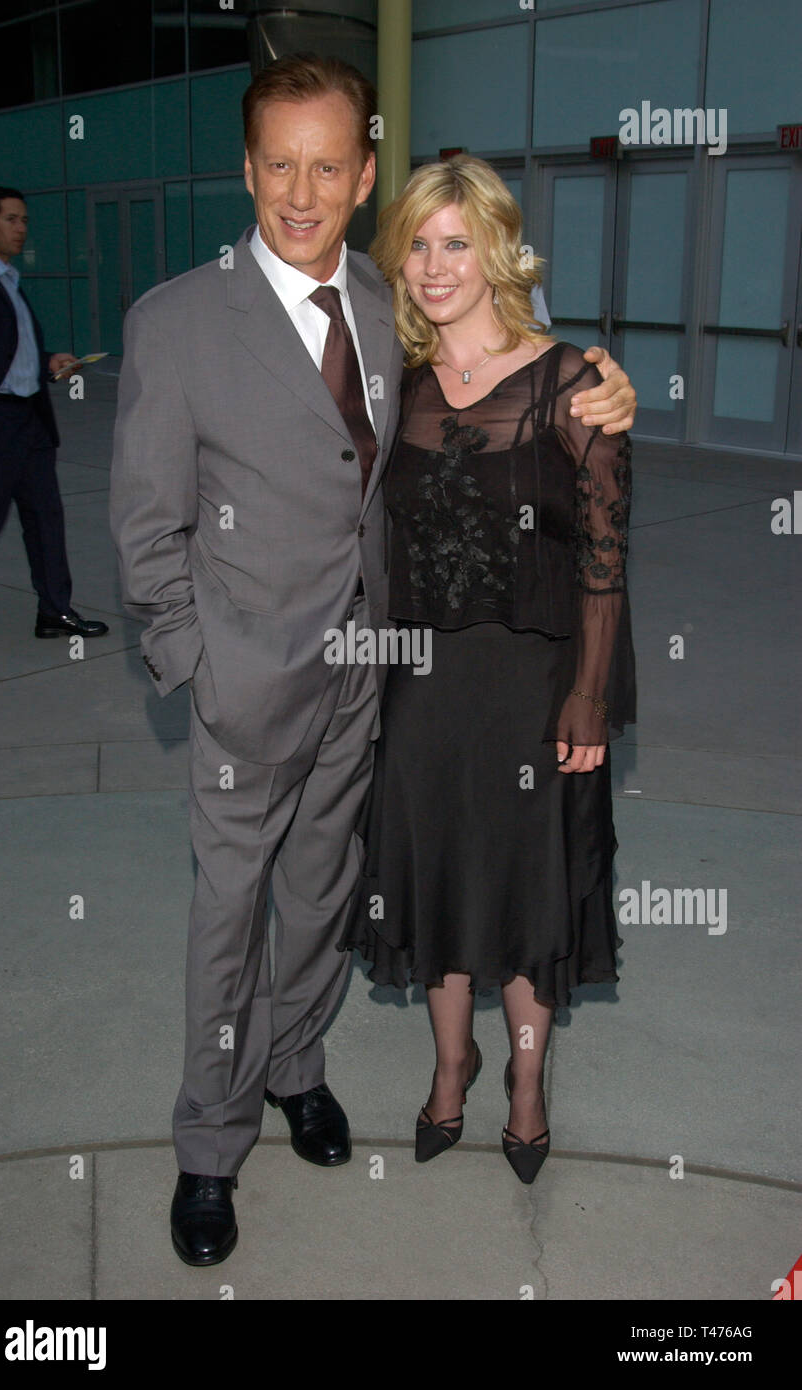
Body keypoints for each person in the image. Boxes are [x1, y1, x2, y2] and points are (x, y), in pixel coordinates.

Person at [109, 54, 636, 1267]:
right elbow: (146, 532)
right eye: (278, 165)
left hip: (376, 679)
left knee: (320, 902)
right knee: (226, 922)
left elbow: (498, 379)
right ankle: (208, 1141)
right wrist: (198, 664)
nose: (302, 191)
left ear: (360, 178)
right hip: (246, 687)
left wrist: (602, 386)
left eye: (328, 166)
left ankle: (298, 1070)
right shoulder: (176, 322)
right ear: (247, 171)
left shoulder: (393, 303)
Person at [341, 155, 636, 1186]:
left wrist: (590, 698)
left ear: (499, 250)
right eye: (416, 243)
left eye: (455, 241)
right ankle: (448, 1066)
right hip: (421, 687)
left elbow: (604, 560)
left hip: (535, 688)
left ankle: (522, 1084)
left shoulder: (574, 385)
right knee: (437, 885)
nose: (433, 264)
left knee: (528, 895)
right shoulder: (402, 384)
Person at [0, 187, 108, 638]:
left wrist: (47, 362)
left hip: (31, 422)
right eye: (12, 220)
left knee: (46, 518)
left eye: (24, 220)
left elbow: (6, 350)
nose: (22, 229)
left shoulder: (7, 278)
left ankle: (54, 612)